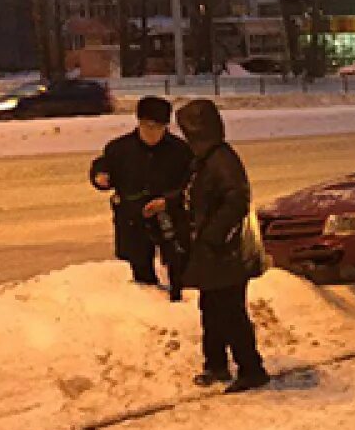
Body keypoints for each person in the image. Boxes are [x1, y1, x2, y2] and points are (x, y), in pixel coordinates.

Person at [175, 99, 270, 393]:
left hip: (224, 251)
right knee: (211, 308)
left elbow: (236, 201)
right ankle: (215, 363)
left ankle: (251, 368)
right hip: (211, 250)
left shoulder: (221, 160)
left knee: (230, 311)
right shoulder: (205, 159)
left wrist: (213, 235)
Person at [90, 96, 192, 301]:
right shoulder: (120, 149)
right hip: (132, 219)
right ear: (139, 122)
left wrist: (168, 201)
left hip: (169, 218)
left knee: (178, 264)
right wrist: (100, 177)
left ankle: (178, 301)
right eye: (147, 126)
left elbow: (190, 184)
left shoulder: (180, 151)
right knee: (139, 269)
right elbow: (102, 167)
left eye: (157, 127)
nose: (152, 132)